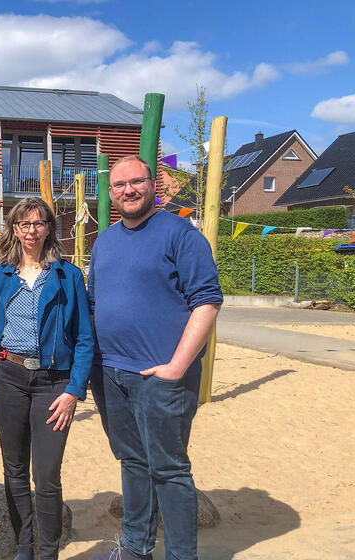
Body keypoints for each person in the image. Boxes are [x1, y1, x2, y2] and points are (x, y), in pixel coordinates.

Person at [87, 155, 222, 560]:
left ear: (152, 185)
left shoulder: (179, 234)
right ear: (110, 194)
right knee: (131, 461)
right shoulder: (105, 240)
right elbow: (95, 304)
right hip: (110, 372)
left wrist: (177, 366)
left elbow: (208, 301)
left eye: (136, 182)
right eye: (119, 186)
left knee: (169, 469)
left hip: (160, 376)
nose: (128, 190)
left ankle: (181, 555)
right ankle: (136, 547)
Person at [0, 197, 94, 560]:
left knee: (46, 474)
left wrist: (74, 390)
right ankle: (24, 549)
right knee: (13, 469)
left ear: (49, 227)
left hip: (53, 383)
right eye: (23, 224)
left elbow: (84, 337)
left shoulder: (68, 275)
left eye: (38, 223)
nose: (31, 231)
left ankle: (47, 553)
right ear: (14, 229)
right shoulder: (0, 274)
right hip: (9, 377)